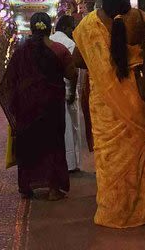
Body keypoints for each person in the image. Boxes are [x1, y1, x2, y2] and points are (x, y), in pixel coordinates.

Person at [72, 0, 145, 228]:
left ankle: (114, 210)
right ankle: (144, 209)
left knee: (110, 157)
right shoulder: (141, 18)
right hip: (136, 95)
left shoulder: (89, 24)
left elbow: (78, 60)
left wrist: (101, 57)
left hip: (104, 102)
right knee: (138, 152)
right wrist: (137, 50)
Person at [0, 12, 78, 201]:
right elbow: (72, 74)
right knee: (53, 144)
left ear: (32, 28)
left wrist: (18, 99)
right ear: (50, 28)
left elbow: (9, 81)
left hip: (27, 108)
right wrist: (71, 92)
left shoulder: (20, 51)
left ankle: (27, 187)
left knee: (29, 144)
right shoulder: (59, 50)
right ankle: (53, 189)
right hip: (52, 106)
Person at [50, 15, 82, 172]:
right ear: (66, 28)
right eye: (72, 27)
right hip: (67, 89)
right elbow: (73, 70)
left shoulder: (49, 40)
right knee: (70, 127)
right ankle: (71, 163)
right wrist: (70, 93)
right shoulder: (69, 43)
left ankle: (58, 162)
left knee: (56, 129)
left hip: (51, 90)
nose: (74, 30)